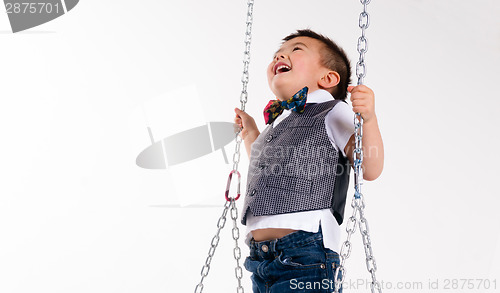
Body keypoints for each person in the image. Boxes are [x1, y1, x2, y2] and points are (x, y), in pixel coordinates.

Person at [234, 29, 384, 293]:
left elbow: (368, 167)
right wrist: (251, 133)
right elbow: (267, 165)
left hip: (305, 250)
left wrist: (368, 120)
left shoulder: (333, 111)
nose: (281, 54)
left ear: (327, 78)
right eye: (278, 53)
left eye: (296, 49)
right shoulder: (278, 123)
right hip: (259, 258)